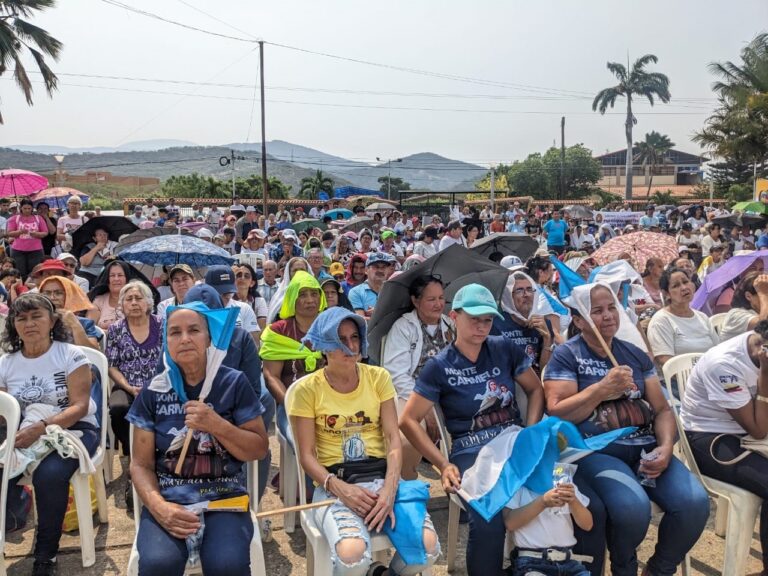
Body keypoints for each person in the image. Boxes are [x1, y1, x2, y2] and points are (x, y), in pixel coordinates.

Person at [543, 282, 709, 576]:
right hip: (597, 451)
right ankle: (624, 567)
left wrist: (666, 447)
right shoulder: (567, 355)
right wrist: (601, 389)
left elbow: (662, 410)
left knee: (694, 504)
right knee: (632, 509)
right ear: (579, 320)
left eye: (612, 308)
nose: (608, 316)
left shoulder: (634, 354)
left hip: (645, 447)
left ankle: (659, 569)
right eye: (597, 311)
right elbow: (558, 411)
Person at [400, 284, 545, 576]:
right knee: (487, 516)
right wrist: (442, 464)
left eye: (487, 320)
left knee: (558, 494)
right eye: (474, 319)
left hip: (513, 440)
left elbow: (535, 389)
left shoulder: (503, 347)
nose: (481, 327)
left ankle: (539, 566)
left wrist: (530, 432)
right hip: (470, 449)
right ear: (454, 317)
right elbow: (408, 420)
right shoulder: (439, 366)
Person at [287, 307, 441, 576]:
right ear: (324, 347)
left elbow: (393, 438)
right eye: (340, 340)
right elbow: (307, 456)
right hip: (334, 484)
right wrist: (342, 489)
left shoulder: (378, 377)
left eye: (355, 337)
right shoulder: (306, 389)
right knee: (352, 557)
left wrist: (390, 487)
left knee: (428, 551)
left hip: (382, 478)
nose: (351, 346)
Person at [127, 302, 268, 575]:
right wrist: (159, 507)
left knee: (227, 565)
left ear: (209, 338)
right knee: (158, 563)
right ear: (166, 342)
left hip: (224, 498)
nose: (185, 339)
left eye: (194, 330)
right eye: (175, 332)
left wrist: (217, 425)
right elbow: (140, 465)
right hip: (170, 498)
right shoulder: (154, 390)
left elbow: (259, 449)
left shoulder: (233, 383)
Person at [0, 294, 100, 576]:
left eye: (36, 316)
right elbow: (4, 412)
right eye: (22, 318)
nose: (29, 323)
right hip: (23, 432)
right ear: (14, 324)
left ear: (52, 321)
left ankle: (46, 554)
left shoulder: (70, 355)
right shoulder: (6, 363)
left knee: (49, 474)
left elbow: (80, 406)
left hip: (74, 430)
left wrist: (41, 427)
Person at [680, 320, 768, 576]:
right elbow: (758, 430)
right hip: (709, 438)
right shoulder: (725, 364)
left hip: (747, 432)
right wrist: (765, 376)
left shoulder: (757, 349)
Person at [382, 276, 454, 480]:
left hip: (448, 392)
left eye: (441, 298)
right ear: (415, 300)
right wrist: (426, 407)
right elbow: (396, 373)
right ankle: (406, 482)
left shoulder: (450, 324)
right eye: (431, 299)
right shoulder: (403, 327)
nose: (438, 304)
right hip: (410, 393)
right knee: (406, 439)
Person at [260, 270, 327, 453]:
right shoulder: (278, 331)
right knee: (306, 444)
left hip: (330, 402)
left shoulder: (332, 327)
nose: (310, 300)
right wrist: (292, 404)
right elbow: (271, 376)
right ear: (291, 299)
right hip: (292, 404)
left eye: (314, 294)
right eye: (302, 294)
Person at [105, 281, 163, 459]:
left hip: (159, 384)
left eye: (139, 298)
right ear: (122, 305)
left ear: (148, 303)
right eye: (129, 299)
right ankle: (131, 451)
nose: (134, 303)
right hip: (126, 385)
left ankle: (159, 450)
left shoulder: (162, 324)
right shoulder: (115, 329)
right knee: (118, 408)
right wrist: (129, 388)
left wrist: (155, 384)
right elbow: (112, 366)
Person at [503, 476, 593, 576]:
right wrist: (543, 502)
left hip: (569, 561)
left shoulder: (566, 485)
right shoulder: (516, 487)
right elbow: (510, 523)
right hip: (532, 562)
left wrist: (574, 501)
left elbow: (587, 525)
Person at [647, 267, 720, 369]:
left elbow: (718, 350)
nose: (684, 288)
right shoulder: (661, 321)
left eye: (685, 282)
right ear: (666, 293)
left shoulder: (702, 317)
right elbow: (666, 361)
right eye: (676, 286)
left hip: (711, 372)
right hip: (683, 376)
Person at [491, 271, 556, 375]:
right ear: (508, 296)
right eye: (519, 290)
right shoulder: (496, 324)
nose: (526, 295)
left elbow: (547, 372)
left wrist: (547, 338)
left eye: (529, 289)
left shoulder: (544, 323)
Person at [39, 275, 102, 349]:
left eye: (58, 293)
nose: (52, 298)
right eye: (47, 293)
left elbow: (92, 353)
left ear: (68, 295)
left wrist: (75, 325)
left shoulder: (84, 323)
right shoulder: (35, 321)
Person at [6, 198, 50, 280]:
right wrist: (20, 232)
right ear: (21, 208)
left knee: (35, 272)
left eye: (29, 208)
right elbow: (9, 233)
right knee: (19, 272)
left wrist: (36, 234)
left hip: (36, 250)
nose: (27, 210)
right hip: (18, 250)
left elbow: (45, 232)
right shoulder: (15, 218)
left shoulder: (38, 218)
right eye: (25, 208)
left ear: (32, 208)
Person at [720, 272, 768, 341]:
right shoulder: (736, 314)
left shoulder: (760, 312)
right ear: (748, 296)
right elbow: (763, 326)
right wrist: (764, 294)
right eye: (766, 294)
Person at [348, 252, 396, 319]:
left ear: (388, 270)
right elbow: (361, 321)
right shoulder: (356, 292)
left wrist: (378, 312)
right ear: (366, 270)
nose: (380, 270)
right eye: (376, 267)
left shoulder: (394, 290)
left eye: (384, 267)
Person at [87, 260, 128, 330]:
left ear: (126, 279)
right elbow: (89, 328)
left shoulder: (133, 300)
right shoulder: (99, 301)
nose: (116, 279)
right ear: (107, 279)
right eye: (112, 275)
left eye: (120, 275)